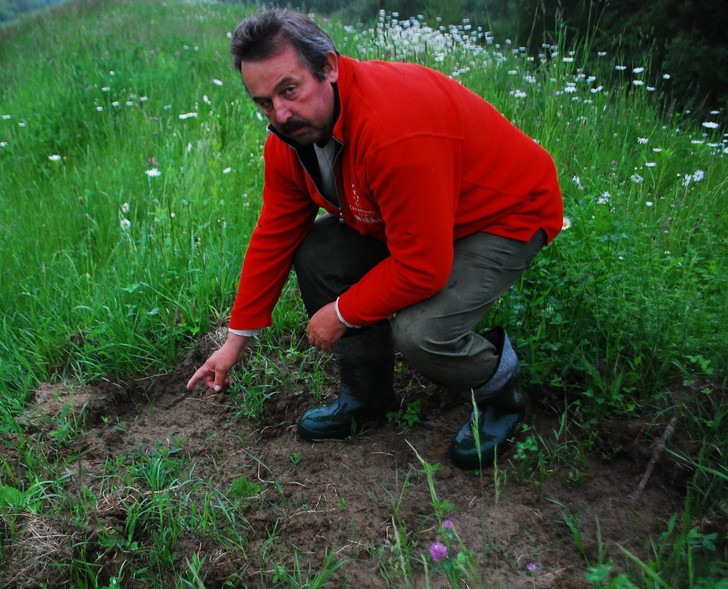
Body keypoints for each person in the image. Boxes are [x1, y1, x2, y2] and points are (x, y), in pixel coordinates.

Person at [186, 8, 563, 469]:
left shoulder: (392, 130)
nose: (280, 114)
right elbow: (274, 235)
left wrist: (341, 313)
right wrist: (235, 340)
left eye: (290, 90)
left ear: (328, 66)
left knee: (422, 332)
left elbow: (423, 267)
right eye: (264, 102)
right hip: (416, 217)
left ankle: (499, 394)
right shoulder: (290, 138)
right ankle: (368, 397)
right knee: (318, 250)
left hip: (502, 214)